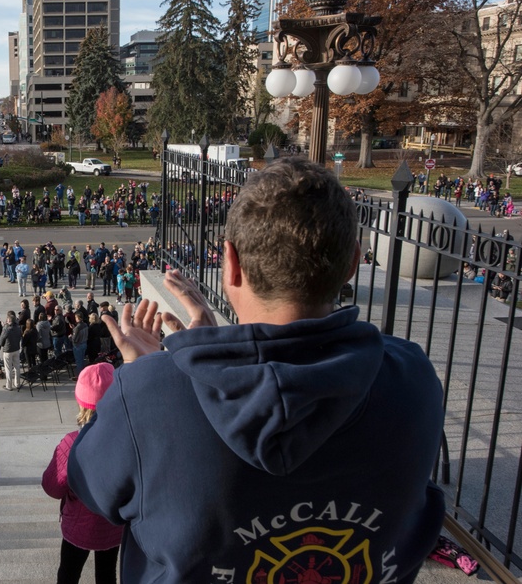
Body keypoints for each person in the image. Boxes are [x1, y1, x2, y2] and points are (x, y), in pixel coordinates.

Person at [68, 158, 445, 582]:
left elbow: (90, 486)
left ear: (229, 263)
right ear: (353, 263)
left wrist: (157, 376)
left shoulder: (148, 392)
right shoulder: (413, 380)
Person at [43, 364, 122, 584]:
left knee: (68, 573)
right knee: (107, 574)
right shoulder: (127, 440)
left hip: (79, 527)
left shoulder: (71, 443)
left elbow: (52, 487)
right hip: (113, 526)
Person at [0, 311, 23, 391]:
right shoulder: (18, 328)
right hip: (16, 349)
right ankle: (17, 384)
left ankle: (9, 385)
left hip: (8, 351)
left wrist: (4, 327)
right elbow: (20, 337)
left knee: (8, 368)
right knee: (17, 367)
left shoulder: (6, 329)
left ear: (9, 321)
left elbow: (1, 341)